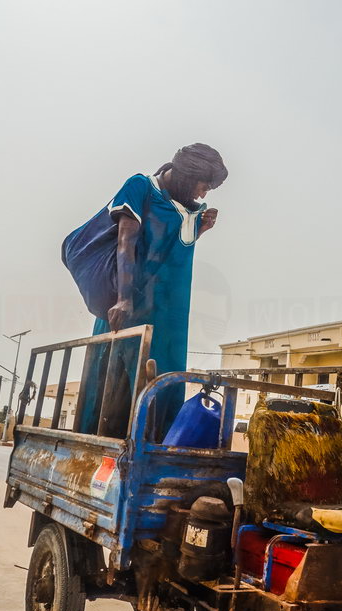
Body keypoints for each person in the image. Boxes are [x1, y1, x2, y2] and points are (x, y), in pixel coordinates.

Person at [63, 144, 228, 438]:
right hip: (130, 307)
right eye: (203, 186)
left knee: (164, 383)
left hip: (167, 315)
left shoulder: (185, 208)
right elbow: (126, 241)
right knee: (114, 385)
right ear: (188, 176)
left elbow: (165, 254)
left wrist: (197, 231)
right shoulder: (141, 187)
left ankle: (152, 449)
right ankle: (103, 445)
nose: (203, 195)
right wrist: (123, 299)